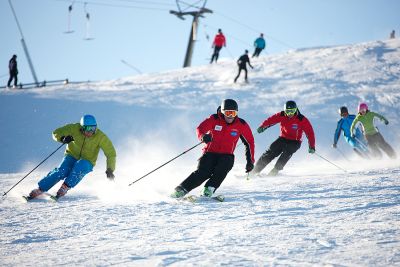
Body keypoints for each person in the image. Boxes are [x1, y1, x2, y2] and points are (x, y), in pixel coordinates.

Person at [170, 99, 255, 199]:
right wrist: (203, 136)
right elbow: (200, 128)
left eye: (233, 113)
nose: (230, 116)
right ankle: (181, 189)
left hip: (226, 155)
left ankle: (209, 188)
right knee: (203, 172)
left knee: (224, 167)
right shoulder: (214, 119)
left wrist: (250, 161)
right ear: (222, 112)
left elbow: (249, 142)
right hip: (210, 153)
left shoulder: (241, 124)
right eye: (228, 113)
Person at [26, 114, 117, 200]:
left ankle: (65, 187)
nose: (90, 131)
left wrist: (110, 169)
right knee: (62, 171)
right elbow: (56, 133)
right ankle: (41, 189)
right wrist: (62, 138)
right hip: (71, 155)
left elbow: (111, 153)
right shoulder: (73, 128)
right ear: (82, 127)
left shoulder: (100, 137)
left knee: (80, 166)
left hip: (87, 161)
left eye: (93, 128)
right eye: (88, 128)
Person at [252, 100, 316, 176]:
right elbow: (271, 120)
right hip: (283, 138)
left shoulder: (302, 119)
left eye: (292, 111)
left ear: (296, 110)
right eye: (288, 111)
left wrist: (312, 146)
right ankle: (255, 171)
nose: (290, 114)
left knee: (287, 152)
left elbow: (310, 133)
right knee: (271, 151)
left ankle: (275, 170)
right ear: (285, 111)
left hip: (295, 141)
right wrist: (263, 126)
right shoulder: (282, 115)